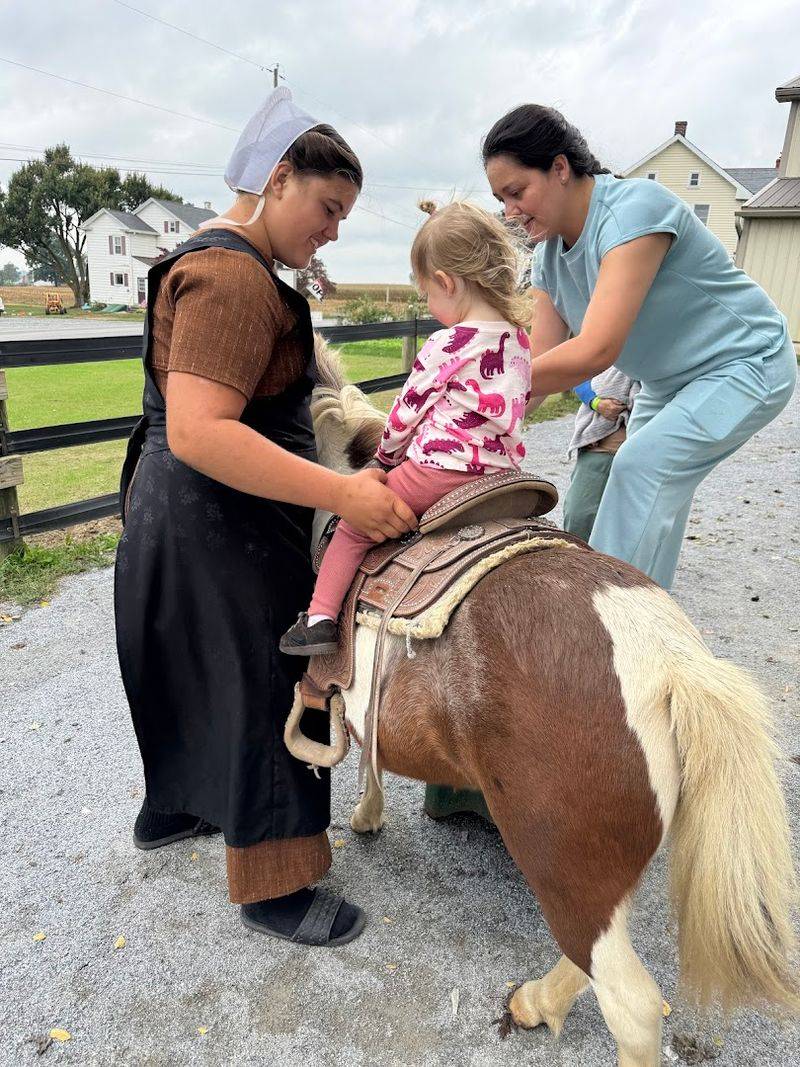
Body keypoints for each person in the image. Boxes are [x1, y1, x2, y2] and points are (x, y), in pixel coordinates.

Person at [114, 88, 417, 947]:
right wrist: (345, 493)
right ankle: (277, 886)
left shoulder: (211, 264)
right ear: (279, 178)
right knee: (265, 679)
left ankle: (175, 807)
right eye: (328, 207)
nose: (333, 231)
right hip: (221, 522)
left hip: (173, 512)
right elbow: (203, 430)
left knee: (186, 665)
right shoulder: (232, 278)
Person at [483, 105, 797, 589]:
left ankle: (601, 619)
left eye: (516, 192)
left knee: (638, 468)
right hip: (664, 384)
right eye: (501, 199)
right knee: (650, 505)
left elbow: (597, 349)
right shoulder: (548, 258)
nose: (509, 212)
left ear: (560, 168)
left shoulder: (634, 211)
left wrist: (478, 390)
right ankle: (649, 616)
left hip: (746, 362)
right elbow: (539, 366)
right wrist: (479, 426)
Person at [280, 201, 532, 654]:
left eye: (428, 294)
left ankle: (319, 618)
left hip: (439, 471)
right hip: (501, 475)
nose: (430, 306)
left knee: (352, 526)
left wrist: (384, 459)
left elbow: (406, 412)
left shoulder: (449, 342)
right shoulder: (518, 340)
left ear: (446, 283)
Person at [563, 368, 639, 542]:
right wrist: (596, 402)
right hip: (600, 449)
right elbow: (578, 374)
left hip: (634, 449)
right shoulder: (605, 357)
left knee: (627, 526)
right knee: (579, 518)